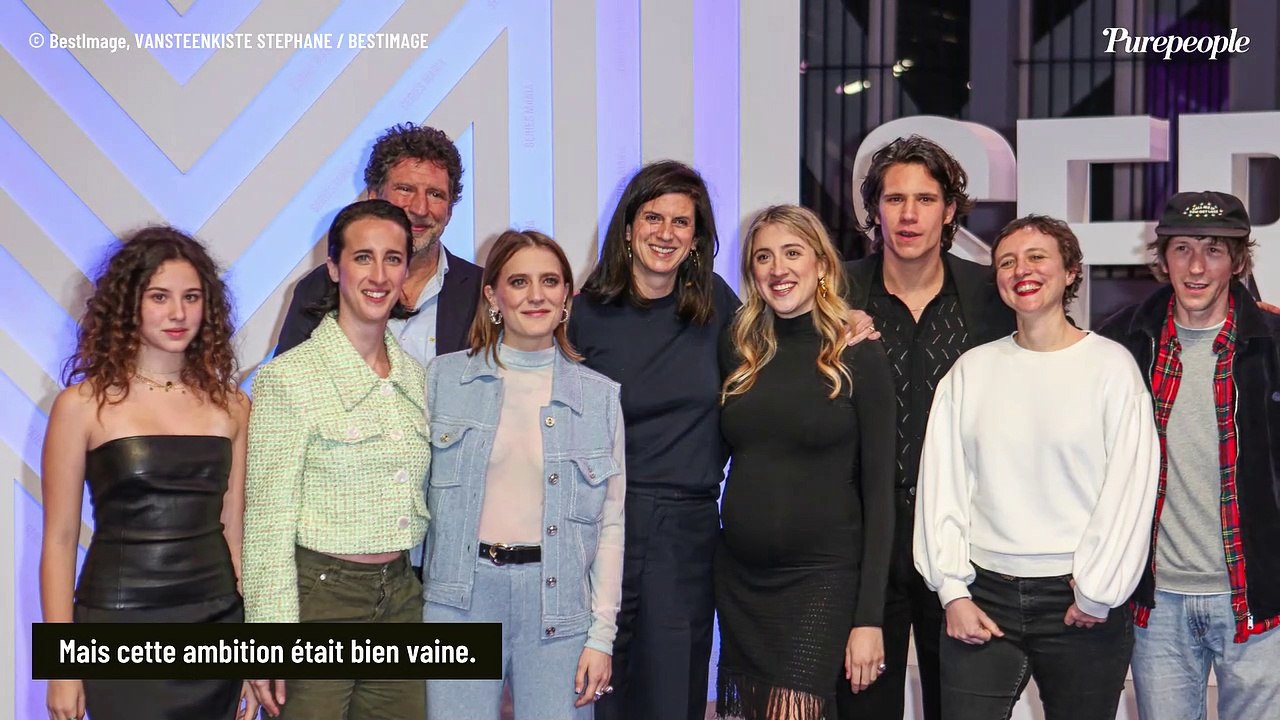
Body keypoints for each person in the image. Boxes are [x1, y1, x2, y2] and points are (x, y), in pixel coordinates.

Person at [912, 214, 1160, 720]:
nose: (1020, 269)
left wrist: (1097, 592)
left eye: (1037, 257)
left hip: (1077, 601)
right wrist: (953, 591)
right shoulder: (971, 372)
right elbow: (943, 487)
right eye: (1007, 261)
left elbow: (1131, 491)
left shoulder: (1111, 368)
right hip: (982, 595)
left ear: (1071, 271)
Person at [40, 226, 257, 720]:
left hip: (216, 628)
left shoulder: (233, 406)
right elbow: (58, 541)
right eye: (159, 296)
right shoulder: (82, 405)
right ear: (128, 303)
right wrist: (60, 665)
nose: (178, 313)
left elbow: (234, 536)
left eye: (191, 297)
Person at [839, 134, 1014, 720]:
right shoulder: (834, 295)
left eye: (925, 198)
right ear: (874, 210)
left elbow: (1060, 353)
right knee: (862, 705)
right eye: (894, 199)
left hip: (962, 539)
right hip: (861, 536)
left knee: (962, 707)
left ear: (950, 210)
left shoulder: (991, 297)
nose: (909, 214)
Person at [422, 229, 625, 718]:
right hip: (458, 600)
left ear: (566, 298)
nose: (536, 295)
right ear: (493, 296)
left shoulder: (599, 398)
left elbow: (612, 525)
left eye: (550, 281)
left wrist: (602, 636)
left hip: (559, 606)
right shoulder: (443, 379)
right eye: (519, 282)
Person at [243, 199, 430, 719]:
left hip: (400, 594)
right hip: (317, 600)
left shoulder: (414, 378)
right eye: (363, 257)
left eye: (393, 259)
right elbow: (266, 521)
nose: (378, 274)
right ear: (334, 267)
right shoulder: (289, 377)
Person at [1098, 191, 1280, 720]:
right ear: (1162, 259)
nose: (1196, 266)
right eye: (1182, 249)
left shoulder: (1272, 342)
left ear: (1239, 261)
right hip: (1158, 602)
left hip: (1257, 598)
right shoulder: (1125, 342)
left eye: (1214, 250)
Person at [569, 160, 741, 720]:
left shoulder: (715, 304)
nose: (665, 233)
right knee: (597, 690)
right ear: (627, 227)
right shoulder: (585, 309)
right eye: (652, 217)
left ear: (696, 237)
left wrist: (847, 325)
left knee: (673, 695)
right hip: (598, 523)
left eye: (681, 222)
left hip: (684, 530)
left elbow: (773, 366)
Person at [715, 205, 895, 720]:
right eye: (763, 257)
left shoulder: (858, 351)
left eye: (792, 253)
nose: (778, 269)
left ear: (821, 264)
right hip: (741, 581)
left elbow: (881, 495)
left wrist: (869, 619)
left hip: (822, 580)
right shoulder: (739, 348)